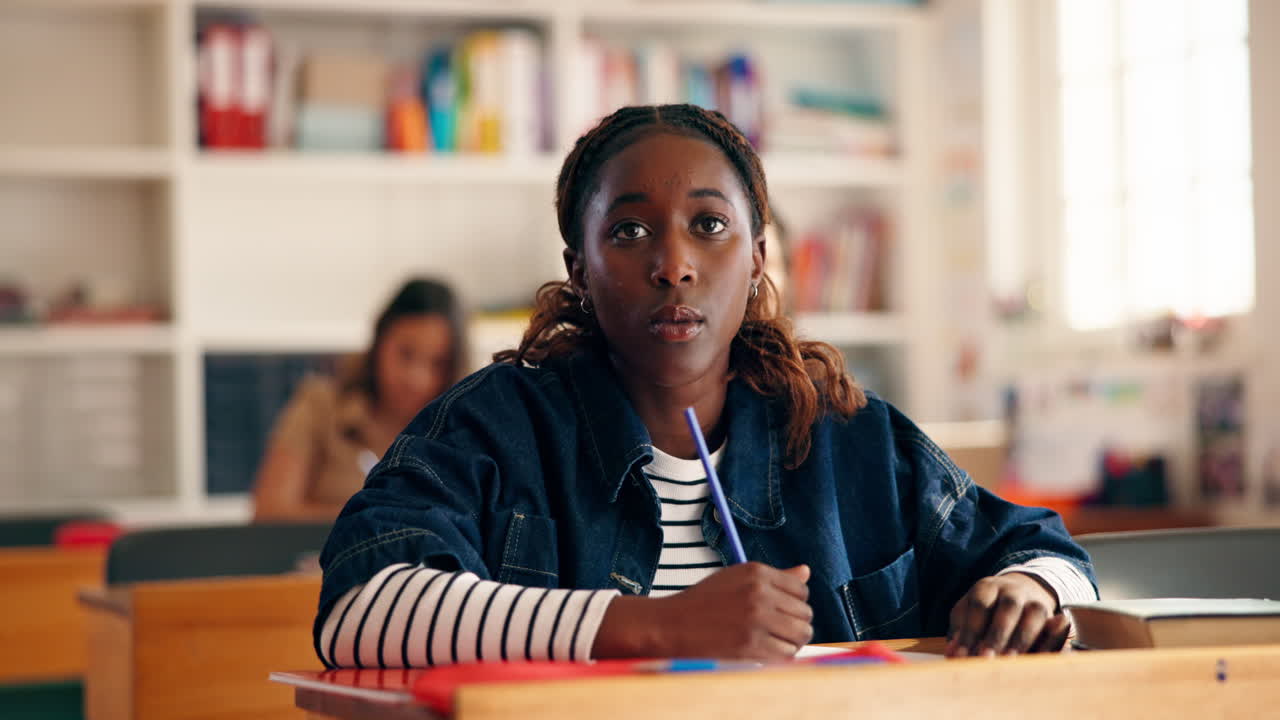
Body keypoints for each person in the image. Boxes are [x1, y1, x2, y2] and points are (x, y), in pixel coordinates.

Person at [312, 105, 1096, 669]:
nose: (674, 264)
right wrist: (657, 626)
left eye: (710, 225)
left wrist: (1029, 589)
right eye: (629, 231)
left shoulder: (847, 436)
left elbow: (1046, 552)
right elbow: (358, 608)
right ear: (577, 268)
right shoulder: (494, 428)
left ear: (757, 257)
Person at [252, 278, 467, 522]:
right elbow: (268, 513)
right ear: (379, 342)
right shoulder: (319, 404)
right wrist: (378, 517)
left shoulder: (462, 433)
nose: (416, 378)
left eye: (438, 364)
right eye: (405, 354)